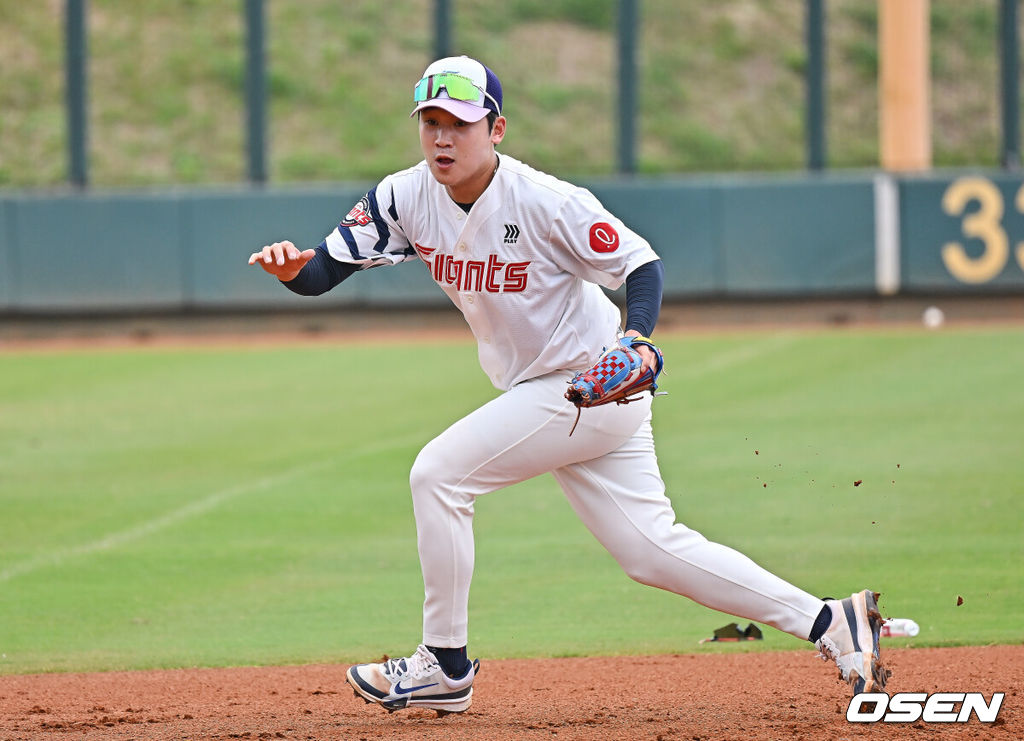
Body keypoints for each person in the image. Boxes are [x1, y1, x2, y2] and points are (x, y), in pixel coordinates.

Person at [248, 55, 888, 715]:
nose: (442, 137)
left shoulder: (545, 201)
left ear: (496, 129)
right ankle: (830, 621)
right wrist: (292, 270)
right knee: (651, 551)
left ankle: (443, 663)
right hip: (558, 396)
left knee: (438, 474)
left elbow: (640, 262)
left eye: (460, 124)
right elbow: (324, 268)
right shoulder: (402, 196)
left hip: (592, 381)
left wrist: (637, 338)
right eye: (430, 121)